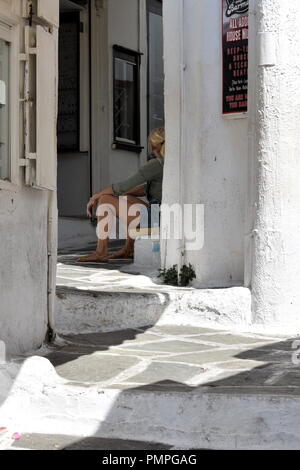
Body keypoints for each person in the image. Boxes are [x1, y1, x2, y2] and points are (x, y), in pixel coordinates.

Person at [77, 127, 165, 263]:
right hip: (162, 214)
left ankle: (101, 252)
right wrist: (121, 196)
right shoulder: (168, 163)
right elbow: (144, 189)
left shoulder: (155, 164)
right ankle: (129, 249)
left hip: (156, 219)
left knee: (105, 200)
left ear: (152, 145)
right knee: (125, 198)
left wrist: (96, 196)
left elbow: (124, 185)